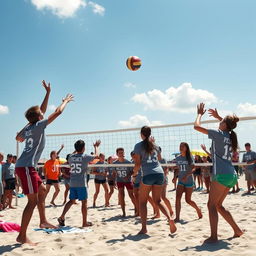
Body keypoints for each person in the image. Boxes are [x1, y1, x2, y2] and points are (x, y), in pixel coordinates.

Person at [15, 80, 74, 245]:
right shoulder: (39, 125)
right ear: (39, 117)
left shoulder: (29, 127)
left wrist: (47, 93)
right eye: (41, 112)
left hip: (27, 166)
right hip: (26, 168)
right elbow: (57, 112)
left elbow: (18, 138)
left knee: (42, 190)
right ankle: (21, 236)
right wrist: (65, 101)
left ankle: (43, 220)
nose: (43, 112)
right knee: (32, 201)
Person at [194, 103, 243, 243]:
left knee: (211, 205)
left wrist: (199, 114)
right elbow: (228, 127)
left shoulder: (218, 134)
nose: (219, 123)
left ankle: (214, 237)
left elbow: (196, 127)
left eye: (220, 122)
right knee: (218, 205)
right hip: (232, 175)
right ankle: (237, 230)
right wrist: (219, 118)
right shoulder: (231, 136)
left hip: (221, 174)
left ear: (224, 125)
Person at [133, 126, 177, 234]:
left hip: (148, 174)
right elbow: (160, 159)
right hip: (160, 173)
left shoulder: (138, 146)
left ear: (141, 134)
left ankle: (144, 228)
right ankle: (170, 218)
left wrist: (134, 173)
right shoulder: (155, 145)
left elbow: (138, 164)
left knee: (142, 202)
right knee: (158, 200)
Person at [58, 140, 101, 227]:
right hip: (81, 183)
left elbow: (72, 154)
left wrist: (75, 151)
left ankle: (62, 216)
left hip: (72, 182)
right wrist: (96, 146)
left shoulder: (70, 157)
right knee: (84, 202)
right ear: (84, 148)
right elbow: (97, 156)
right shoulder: (85, 156)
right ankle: (84, 222)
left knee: (71, 201)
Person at [174, 143, 202, 223]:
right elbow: (178, 169)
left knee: (188, 200)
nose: (181, 147)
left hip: (189, 180)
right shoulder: (178, 158)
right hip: (180, 181)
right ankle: (177, 217)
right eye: (180, 146)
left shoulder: (190, 157)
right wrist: (174, 177)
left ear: (186, 148)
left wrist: (187, 175)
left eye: (183, 146)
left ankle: (198, 209)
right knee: (177, 198)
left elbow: (193, 169)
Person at [113, 148, 136, 217]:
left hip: (128, 181)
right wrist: (114, 181)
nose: (121, 154)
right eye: (120, 153)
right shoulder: (115, 163)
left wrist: (128, 175)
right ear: (117, 154)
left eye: (122, 153)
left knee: (131, 195)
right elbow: (114, 173)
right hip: (120, 181)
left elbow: (133, 171)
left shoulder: (128, 162)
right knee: (121, 196)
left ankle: (136, 209)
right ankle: (123, 213)